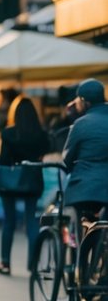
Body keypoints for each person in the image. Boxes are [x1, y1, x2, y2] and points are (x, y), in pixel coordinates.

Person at [0, 96, 50, 275]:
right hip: (33, 180)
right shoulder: (41, 134)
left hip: (10, 182)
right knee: (31, 222)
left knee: (9, 221)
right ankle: (33, 264)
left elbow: (3, 160)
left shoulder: (8, 133)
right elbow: (45, 153)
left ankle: (5, 262)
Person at [62, 79, 108, 234]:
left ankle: (81, 256)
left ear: (84, 101)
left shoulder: (81, 124)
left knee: (80, 226)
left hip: (86, 188)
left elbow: (67, 159)